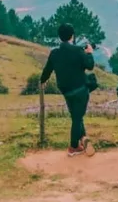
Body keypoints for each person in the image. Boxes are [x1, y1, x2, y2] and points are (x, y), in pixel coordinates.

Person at [40, 23, 96, 157]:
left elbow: (47, 70)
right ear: (72, 36)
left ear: (59, 36)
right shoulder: (78, 50)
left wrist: (42, 81)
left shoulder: (54, 53)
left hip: (66, 91)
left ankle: (83, 138)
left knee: (76, 116)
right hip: (80, 89)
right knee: (77, 118)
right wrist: (89, 53)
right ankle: (73, 147)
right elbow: (90, 66)